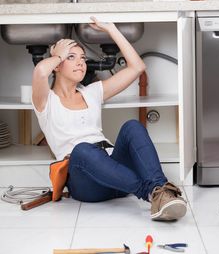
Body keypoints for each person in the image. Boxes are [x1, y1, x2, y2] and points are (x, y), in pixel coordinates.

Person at [32, 16, 187, 221]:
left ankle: (159, 190)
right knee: (82, 149)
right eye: (71, 57)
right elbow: (41, 71)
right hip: (85, 182)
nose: (80, 62)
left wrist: (111, 29)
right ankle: (150, 193)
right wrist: (58, 54)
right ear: (58, 65)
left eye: (82, 58)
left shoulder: (92, 92)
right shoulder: (45, 102)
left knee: (132, 126)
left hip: (116, 175)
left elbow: (137, 67)